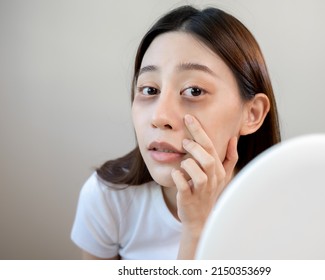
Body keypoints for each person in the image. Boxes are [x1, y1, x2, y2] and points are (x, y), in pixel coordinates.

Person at [71, 5, 281, 260]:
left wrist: (199, 227)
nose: (160, 117)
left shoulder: (281, 212)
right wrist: (194, 229)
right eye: (149, 90)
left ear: (252, 114)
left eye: (194, 91)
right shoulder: (108, 198)